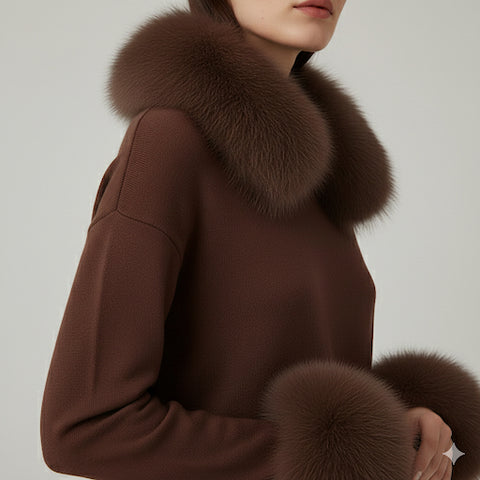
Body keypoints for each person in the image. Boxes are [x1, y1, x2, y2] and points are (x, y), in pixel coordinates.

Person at [40, 1, 480, 479]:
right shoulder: (169, 142)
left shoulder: (320, 172)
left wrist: (393, 428)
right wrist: (342, 455)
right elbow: (85, 429)